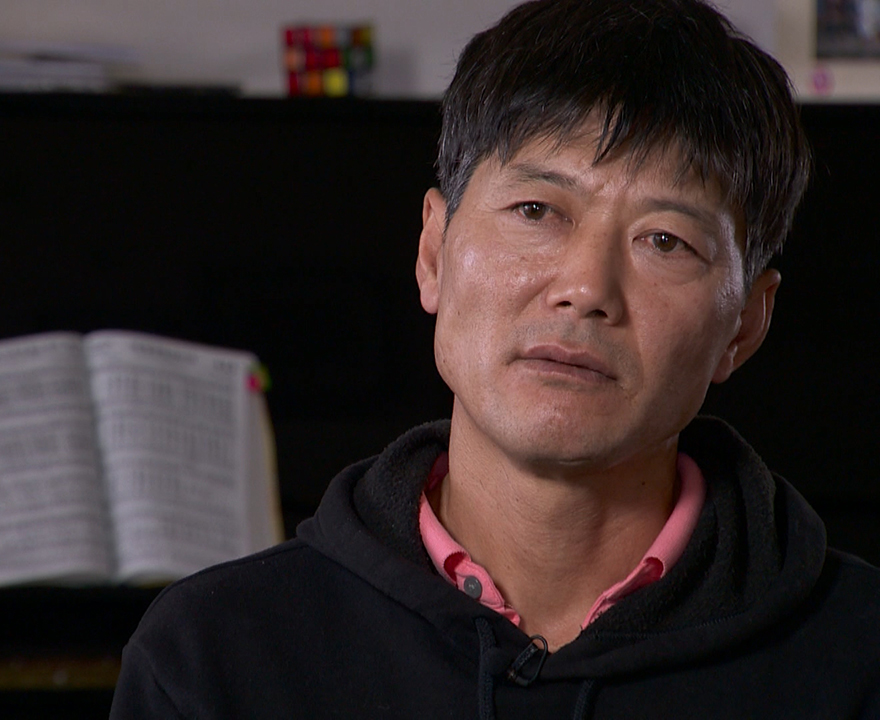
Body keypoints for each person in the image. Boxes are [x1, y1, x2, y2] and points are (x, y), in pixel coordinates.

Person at [110, 0, 880, 716]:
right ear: (433, 253)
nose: (585, 289)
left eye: (665, 241)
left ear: (745, 324)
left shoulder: (860, 658)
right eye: (536, 210)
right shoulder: (212, 654)